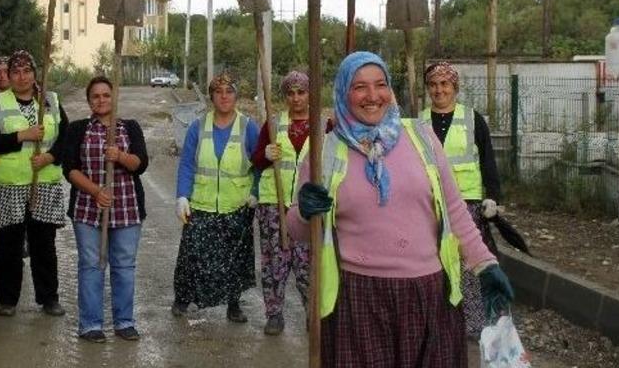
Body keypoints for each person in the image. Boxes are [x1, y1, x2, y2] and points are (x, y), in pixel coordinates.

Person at [288, 51, 515, 367]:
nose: (372, 96)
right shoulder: (325, 150)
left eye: (380, 84)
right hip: (358, 298)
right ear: (342, 93)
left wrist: (485, 265)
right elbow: (297, 230)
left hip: (430, 295)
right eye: (359, 87)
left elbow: (454, 210)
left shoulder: (421, 137)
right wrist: (304, 212)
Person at [421, 61, 516, 338]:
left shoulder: (472, 119)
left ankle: (473, 324)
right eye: (434, 85)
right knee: (436, 263)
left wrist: (493, 198)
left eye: (444, 85)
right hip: (432, 203)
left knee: (468, 264)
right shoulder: (419, 121)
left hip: (468, 203)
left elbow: (488, 160)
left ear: (455, 88)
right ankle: (440, 321)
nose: (439, 90)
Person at [63, 76, 149, 342]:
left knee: (123, 266)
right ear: (89, 101)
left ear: (114, 98)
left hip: (126, 208)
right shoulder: (78, 129)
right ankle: (90, 324)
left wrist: (120, 156)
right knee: (91, 265)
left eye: (106, 95)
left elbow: (141, 163)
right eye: (95, 96)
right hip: (88, 209)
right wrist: (96, 191)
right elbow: (70, 169)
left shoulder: (129, 127)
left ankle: (124, 321)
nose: (101, 100)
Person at [172, 72, 259, 324]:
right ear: (211, 96)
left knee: (235, 258)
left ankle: (233, 304)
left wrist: (254, 193)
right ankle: (183, 297)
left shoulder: (247, 127)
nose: (224, 96)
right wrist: (182, 196)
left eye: (229, 91)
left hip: (236, 206)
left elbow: (259, 165)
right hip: (202, 204)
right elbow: (187, 164)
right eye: (218, 92)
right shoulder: (197, 127)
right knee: (192, 256)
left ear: (236, 96)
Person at [0, 50, 69, 318]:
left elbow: (65, 138)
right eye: (16, 72)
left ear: (35, 74)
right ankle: (8, 299)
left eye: (27, 71)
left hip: (44, 182)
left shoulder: (50, 100)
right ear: (8, 76)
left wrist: (49, 156)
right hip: (10, 185)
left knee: (44, 244)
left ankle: (49, 298)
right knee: (9, 246)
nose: (22, 77)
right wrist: (22, 135)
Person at [251, 71, 312, 335]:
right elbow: (255, 160)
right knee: (275, 260)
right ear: (285, 96)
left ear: (310, 93)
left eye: (301, 92)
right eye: (290, 93)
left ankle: (313, 313)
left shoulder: (323, 125)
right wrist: (265, 154)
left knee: (308, 262)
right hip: (274, 204)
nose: (296, 98)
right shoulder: (273, 125)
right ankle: (274, 314)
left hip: (307, 208)